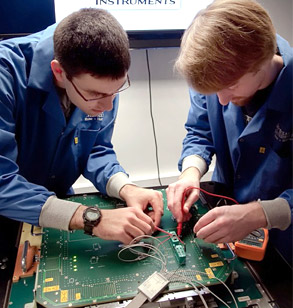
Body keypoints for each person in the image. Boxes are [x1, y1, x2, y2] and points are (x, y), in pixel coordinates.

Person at [0, 8, 163, 245]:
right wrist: (89, 218)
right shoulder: (6, 73)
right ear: (59, 71)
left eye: (115, 92)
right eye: (95, 94)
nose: (108, 106)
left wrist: (126, 188)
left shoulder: (101, 81)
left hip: (57, 207)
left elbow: (95, 148)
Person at [167, 0, 292, 263]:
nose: (222, 101)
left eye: (231, 87)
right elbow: (200, 132)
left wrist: (260, 214)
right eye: (213, 92)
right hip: (230, 225)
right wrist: (190, 173)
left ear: (262, 62)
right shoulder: (215, 76)